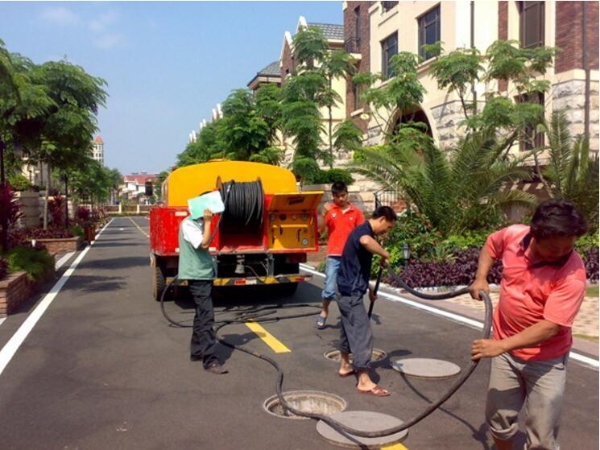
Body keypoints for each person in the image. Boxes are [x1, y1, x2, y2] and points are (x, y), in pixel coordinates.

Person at [469, 199, 588, 449]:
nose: (562, 253)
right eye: (554, 248)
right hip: (506, 352)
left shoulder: (573, 274)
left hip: (546, 360)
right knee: (499, 419)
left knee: (542, 437)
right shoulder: (514, 236)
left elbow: (551, 326)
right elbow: (492, 245)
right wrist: (480, 277)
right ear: (535, 234)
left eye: (569, 246)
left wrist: (499, 345)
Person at [336, 205, 397, 397]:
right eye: (387, 227)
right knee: (362, 333)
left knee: (348, 328)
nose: (386, 232)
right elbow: (365, 241)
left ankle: (345, 365)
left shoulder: (361, 231)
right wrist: (384, 253)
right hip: (350, 293)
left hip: (345, 289)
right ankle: (364, 380)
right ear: (382, 219)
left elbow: (356, 267)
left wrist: (369, 289)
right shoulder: (363, 232)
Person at [178, 206, 228, 375]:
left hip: (204, 274)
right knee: (207, 317)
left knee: (201, 316)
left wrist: (206, 222)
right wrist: (208, 222)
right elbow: (204, 244)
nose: (212, 213)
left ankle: (197, 352)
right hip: (197, 276)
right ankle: (210, 361)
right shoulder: (189, 224)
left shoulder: (197, 223)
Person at [316, 181, 365, 329]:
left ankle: (350, 316)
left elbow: (362, 232)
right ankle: (324, 311)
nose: (341, 199)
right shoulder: (330, 211)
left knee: (349, 289)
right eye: (337, 196)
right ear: (333, 196)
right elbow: (321, 230)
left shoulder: (356, 212)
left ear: (347, 194)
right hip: (334, 255)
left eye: (343, 195)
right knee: (330, 289)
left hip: (351, 256)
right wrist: (322, 213)